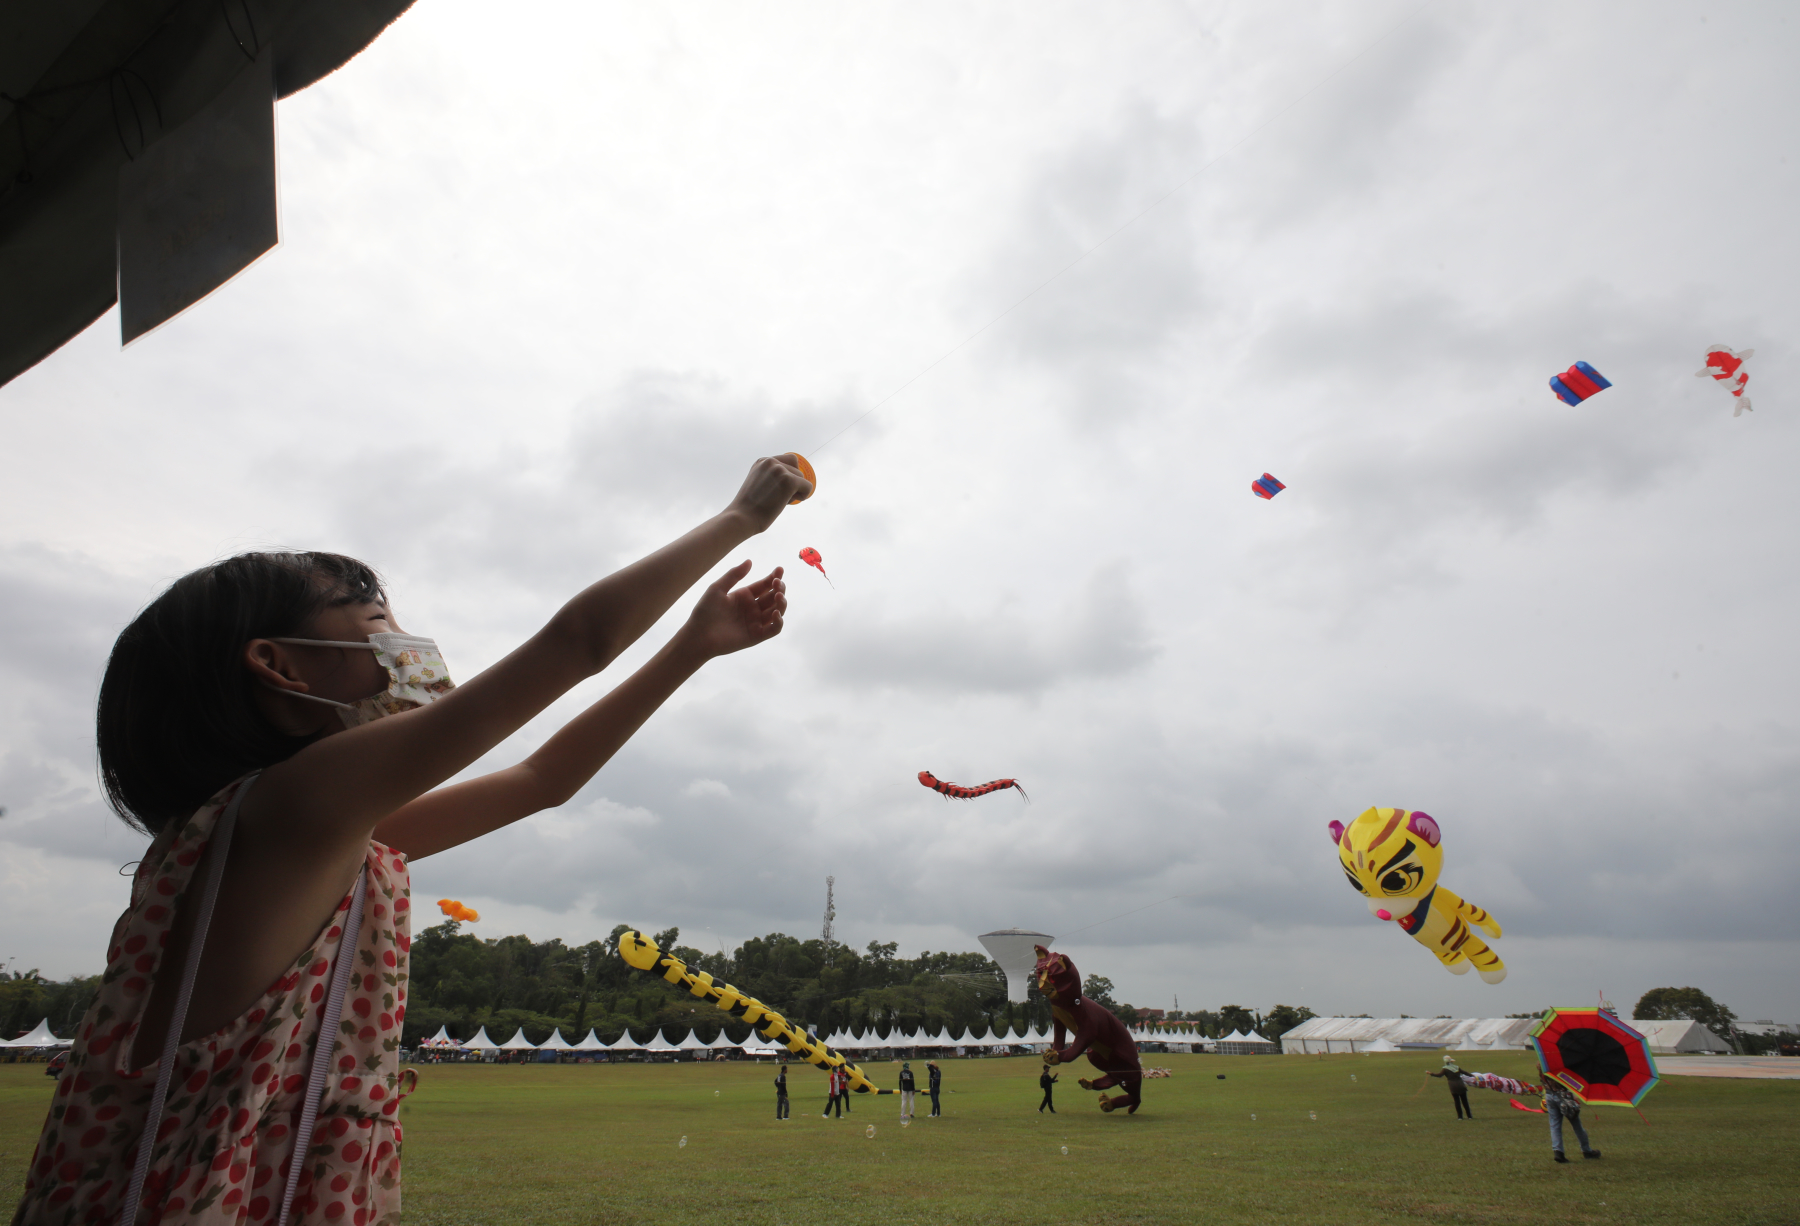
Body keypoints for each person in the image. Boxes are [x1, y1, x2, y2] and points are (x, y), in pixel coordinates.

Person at [10, 456, 809, 1225]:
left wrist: (692, 647)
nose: (406, 644)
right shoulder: (288, 810)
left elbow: (542, 781)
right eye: (377, 622)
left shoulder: (314, 837)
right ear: (279, 665)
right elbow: (577, 644)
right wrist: (741, 517)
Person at [1541, 1075, 1601, 1163]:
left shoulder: (1543, 1068)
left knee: (1554, 1126)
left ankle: (1558, 1152)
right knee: (1577, 1126)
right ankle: (1586, 1150)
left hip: (1549, 1095)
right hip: (1564, 1097)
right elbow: (1572, 1083)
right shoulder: (1560, 1072)